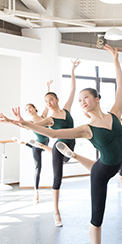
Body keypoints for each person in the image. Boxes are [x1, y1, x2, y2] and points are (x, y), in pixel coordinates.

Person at [0, 46, 122, 244]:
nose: (82, 102)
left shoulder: (115, 114)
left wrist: (116, 60)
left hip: (112, 164)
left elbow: (120, 85)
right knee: (97, 218)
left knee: (101, 164)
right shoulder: (86, 129)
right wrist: (23, 123)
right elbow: (52, 132)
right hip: (101, 173)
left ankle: (73, 155)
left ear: (97, 98)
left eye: (86, 97)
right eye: (80, 100)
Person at [0, 81, 52, 204]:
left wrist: (48, 87)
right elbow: (17, 123)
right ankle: (36, 192)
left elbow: (46, 103)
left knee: (42, 147)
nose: (28, 110)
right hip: (38, 145)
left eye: (30, 108)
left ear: (35, 108)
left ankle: (23, 143)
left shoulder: (43, 117)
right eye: (26, 110)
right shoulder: (29, 123)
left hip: (45, 142)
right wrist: (5, 120)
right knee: (38, 167)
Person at [34, 60, 79, 227]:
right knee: (57, 178)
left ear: (57, 100)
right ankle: (56, 212)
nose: (49, 103)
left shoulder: (66, 109)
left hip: (71, 144)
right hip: (60, 147)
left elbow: (73, 90)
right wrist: (16, 122)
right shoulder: (49, 119)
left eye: (51, 100)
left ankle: (44, 147)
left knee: (68, 157)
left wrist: (72, 70)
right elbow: (34, 125)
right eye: (46, 102)